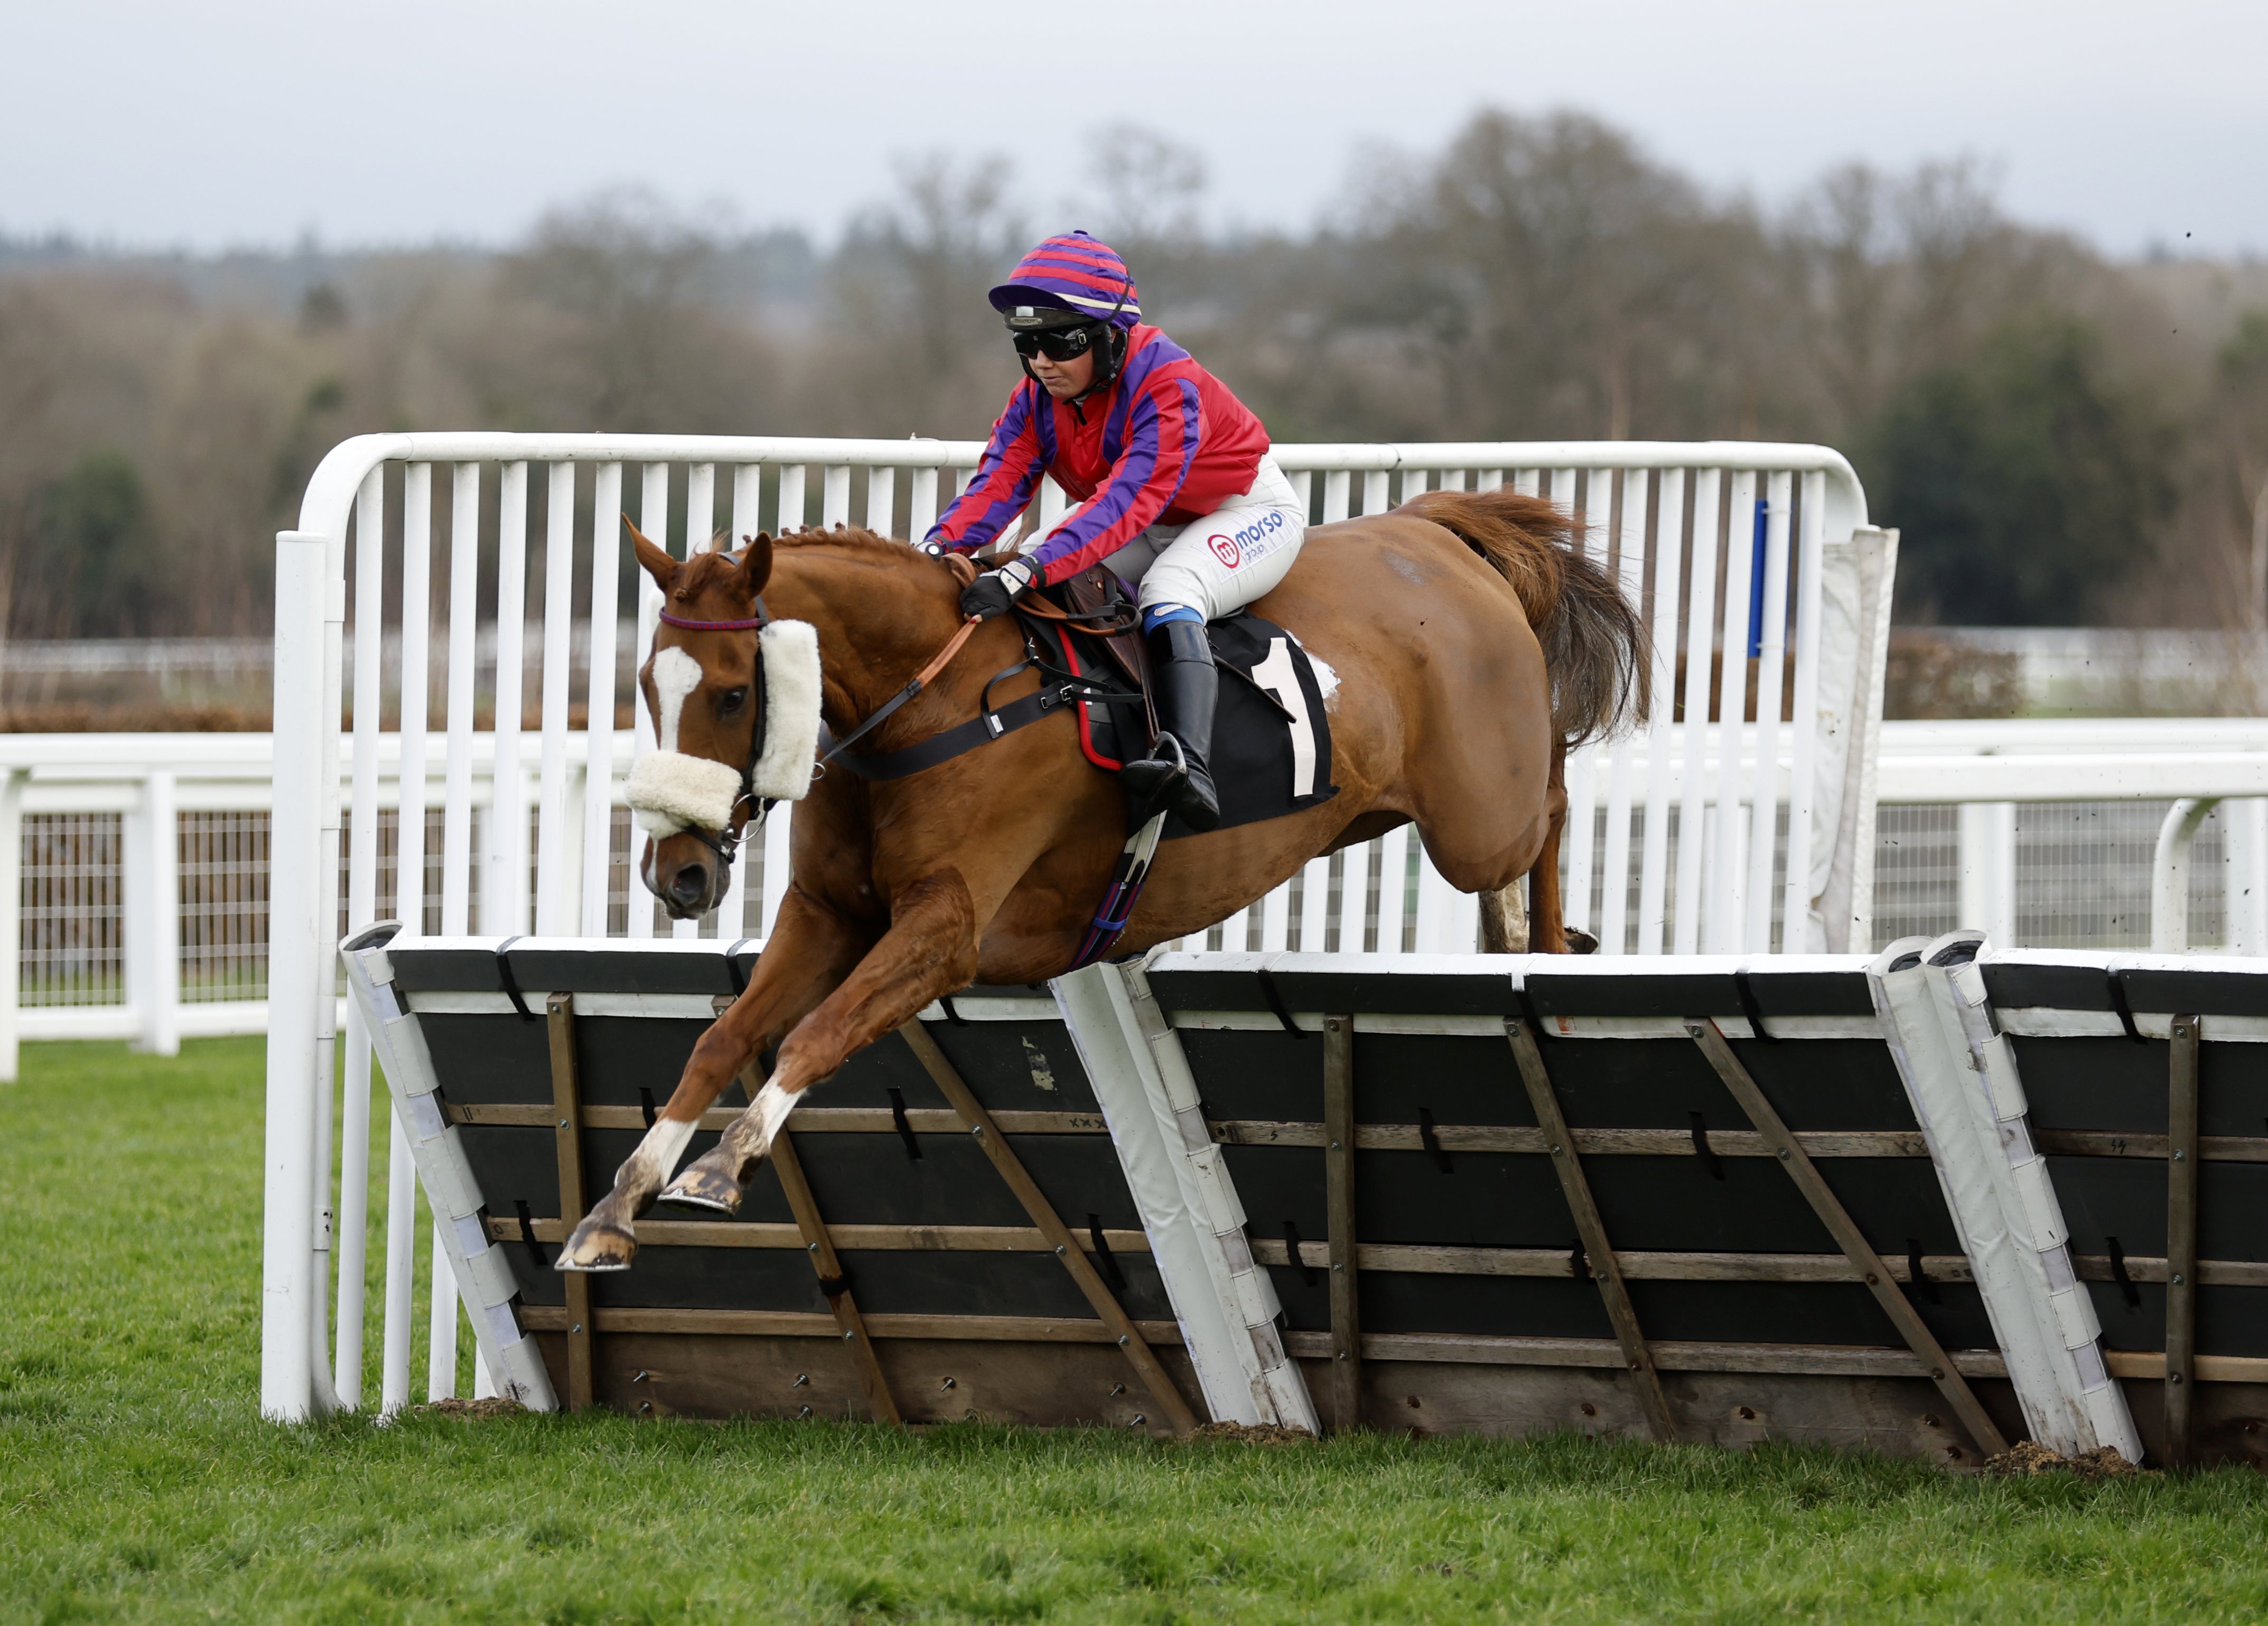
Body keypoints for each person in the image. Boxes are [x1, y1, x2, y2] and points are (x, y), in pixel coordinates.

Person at [921, 231, 1305, 832]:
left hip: (1242, 509)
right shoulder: (1035, 396)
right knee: (1033, 574)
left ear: (1113, 336)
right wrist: (936, 549)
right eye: (1028, 344)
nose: (1042, 361)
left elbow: (1128, 500)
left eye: (1062, 341)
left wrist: (1027, 567)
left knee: (1168, 591)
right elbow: (999, 483)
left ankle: (1189, 763)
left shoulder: (1166, 381)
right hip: (1148, 516)